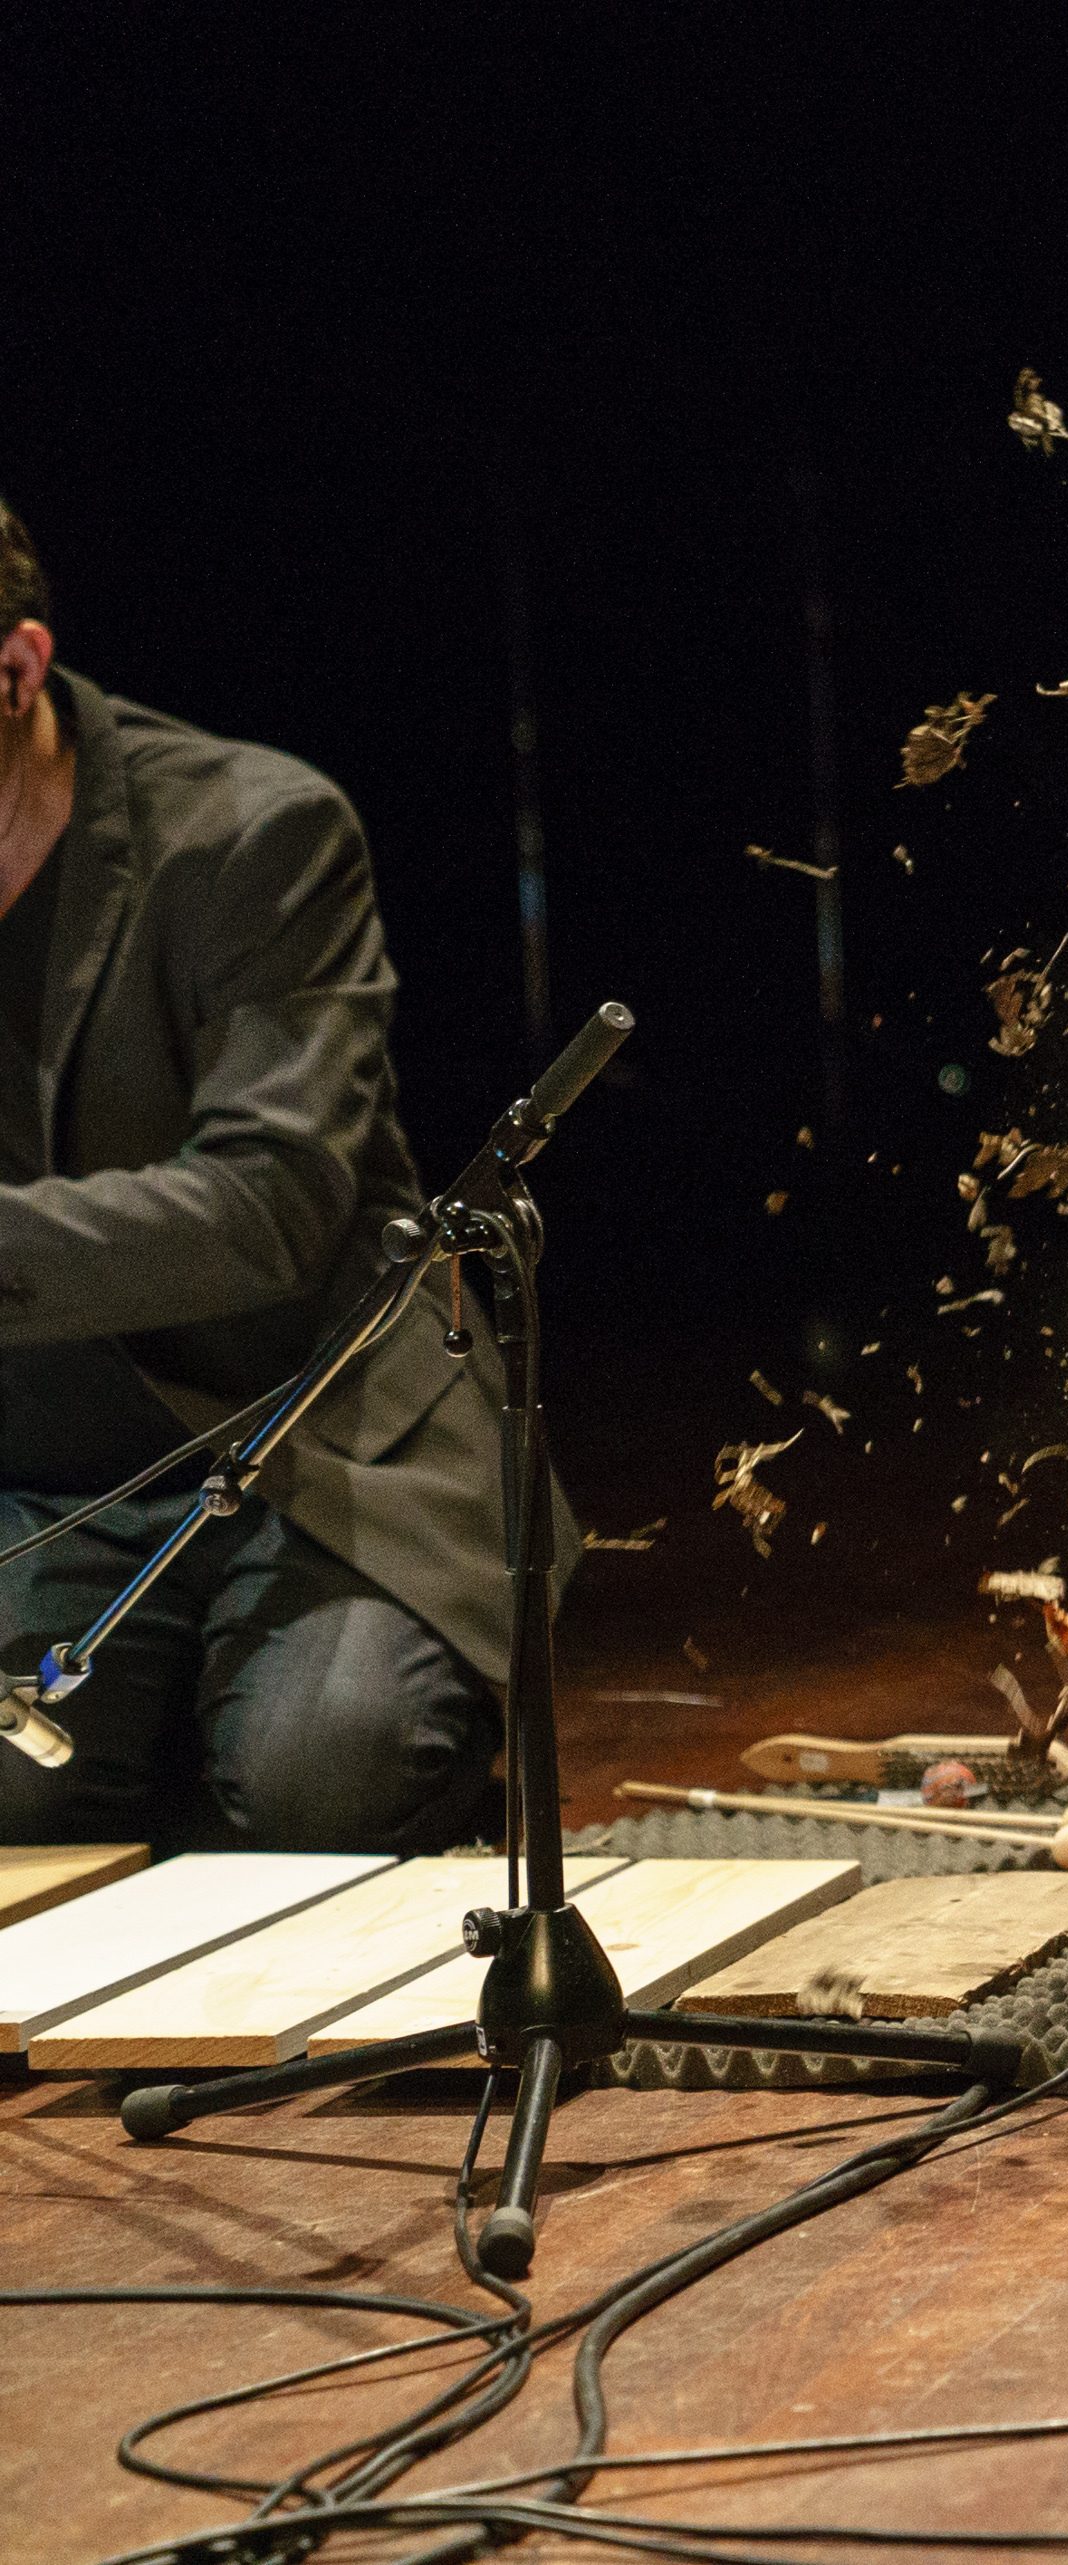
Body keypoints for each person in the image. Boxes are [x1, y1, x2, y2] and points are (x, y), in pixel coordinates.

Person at [0, 496, 531, 1855]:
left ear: (18, 670)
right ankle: (155, 1743)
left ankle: (244, 1735)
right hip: (61, 1475)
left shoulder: (252, 835)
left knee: (332, 1767)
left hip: (318, 1432)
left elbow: (269, 1205)